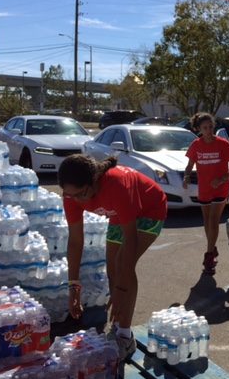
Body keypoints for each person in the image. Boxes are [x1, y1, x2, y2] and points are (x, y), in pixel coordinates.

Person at [58, 154, 167, 360]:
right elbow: (75, 241)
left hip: (150, 209)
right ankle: (117, 325)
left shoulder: (116, 186)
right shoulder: (71, 195)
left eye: (81, 194)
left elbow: (131, 241)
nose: (76, 200)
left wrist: (121, 291)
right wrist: (73, 286)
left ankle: (125, 336)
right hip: (119, 213)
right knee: (112, 269)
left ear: (93, 182)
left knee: (123, 266)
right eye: (70, 195)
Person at [183, 112, 229, 275]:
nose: (208, 131)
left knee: (214, 220)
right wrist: (186, 177)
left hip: (220, 188)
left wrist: (223, 178)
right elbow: (190, 164)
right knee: (207, 221)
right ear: (199, 129)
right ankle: (212, 246)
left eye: (210, 127)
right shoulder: (196, 145)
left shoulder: (223, 144)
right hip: (204, 189)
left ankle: (209, 257)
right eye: (204, 128)